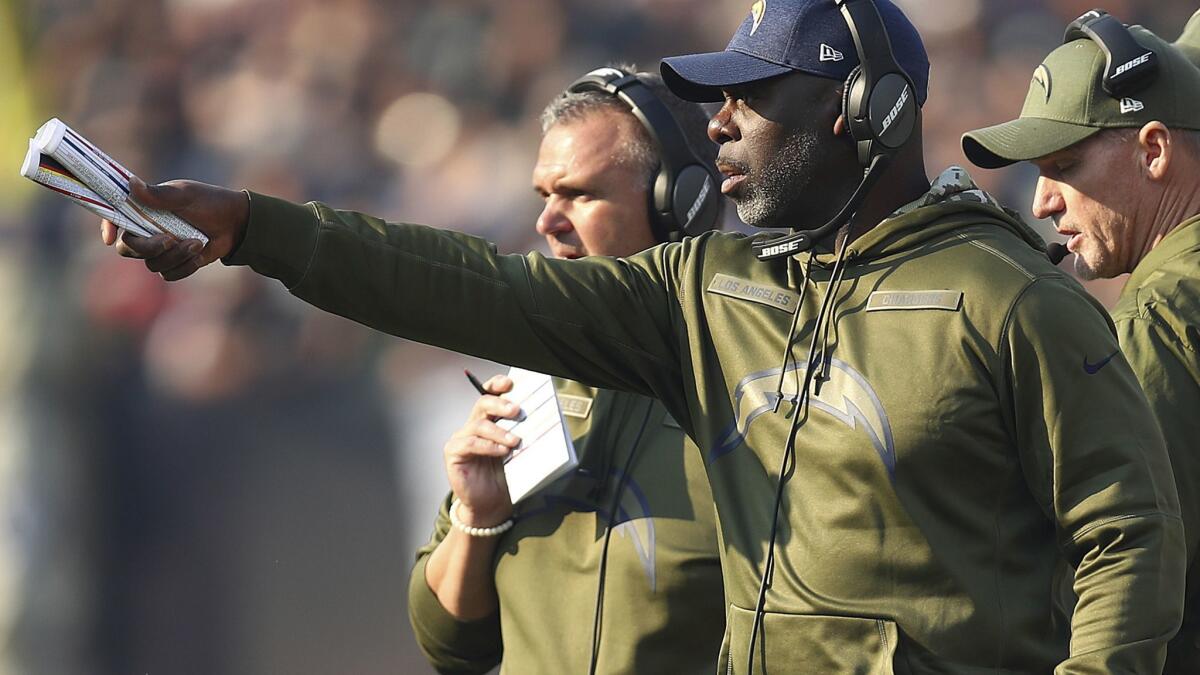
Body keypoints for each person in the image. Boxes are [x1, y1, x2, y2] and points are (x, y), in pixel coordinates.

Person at [101, 0, 1185, 671]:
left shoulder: (1003, 298)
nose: (719, 124)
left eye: (752, 99)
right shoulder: (704, 293)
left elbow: (1128, 530)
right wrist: (256, 227)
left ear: (862, 112)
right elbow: (471, 289)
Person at [406, 67, 726, 675]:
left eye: (580, 194)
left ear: (677, 201)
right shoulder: (535, 373)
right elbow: (450, 641)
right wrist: (477, 516)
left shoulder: (753, 379)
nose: (547, 223)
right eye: (544, 196)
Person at [962, 9, 1200, 673]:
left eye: (1064, 164)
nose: (1041, 201)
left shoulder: (1158, 321)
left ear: (1154, 150)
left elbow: (1131, 572)